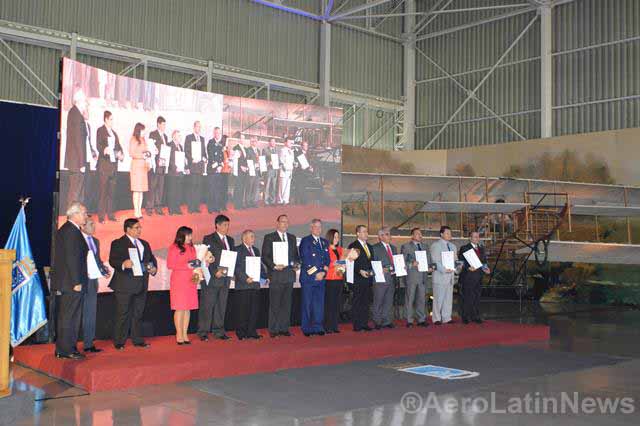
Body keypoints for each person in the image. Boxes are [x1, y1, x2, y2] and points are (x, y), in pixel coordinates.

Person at [108, 218, 157, 349]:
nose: (139, 230)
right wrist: (123, 263)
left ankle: (137, 339)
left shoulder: (144, 243)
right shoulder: (118, 243)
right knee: (122, 314)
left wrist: (154, 268)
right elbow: (113, 260)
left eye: (140, 227)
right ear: (128, 229)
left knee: (138, 314)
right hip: (124, 284)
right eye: (137, 228)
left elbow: (151, 259)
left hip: (141, 283)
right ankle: (119, 342)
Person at [51, 202, 89, 359]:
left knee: (68, 316)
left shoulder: (70, 230)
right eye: (84, 213)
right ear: (75, 214)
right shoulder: (70, 231)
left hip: (69, 282)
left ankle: (64, 349)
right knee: (70, 316)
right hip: (72, 283)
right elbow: (71, 258)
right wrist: (76, 282)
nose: (86, 216)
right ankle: (67, 350)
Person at [261, 214, 299, 338]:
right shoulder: (269, 237)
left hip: (289, 275)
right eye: (283, 221)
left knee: (286, 304)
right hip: (276, 275)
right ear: (277, 223)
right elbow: (265, 256)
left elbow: (296, 256)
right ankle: (273, 329)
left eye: (287, 222)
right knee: (275, 304)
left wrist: (296, 264)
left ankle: (284, 328)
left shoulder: (292, 238)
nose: (285, 224)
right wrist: (273, 266)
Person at [199, 214, 235, 341]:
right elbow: (205, 258)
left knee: (221, 305)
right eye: (225, 225)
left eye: (228, 225)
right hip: (213, 278)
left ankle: (219, 331)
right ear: (217, 225)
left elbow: (232, 258)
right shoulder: (208, 239)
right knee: (207, 305)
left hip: (225, 278)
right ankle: (203, 331)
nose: (227, 227)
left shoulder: (230, 240)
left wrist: (231, 272)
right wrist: (215, 272)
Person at [167, 227, 205, 344]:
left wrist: (198, 273)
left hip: (190, 280)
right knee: (180, 308)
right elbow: (170, 265)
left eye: (191, 235)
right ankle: (179, 334)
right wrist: (186, 266)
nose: (190, 237)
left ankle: (185, 334)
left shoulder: (192, 248)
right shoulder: (174, 247)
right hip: (179, 281)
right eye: (188, 235)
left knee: (188, 308)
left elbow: (196, 263)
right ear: (181, 235)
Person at [80, 216, 110, 353]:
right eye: (91, 224)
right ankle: (70, 345)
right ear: (82, 226)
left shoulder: (95, 241)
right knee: (75, 314)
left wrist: (103, 269)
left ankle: (88, 344)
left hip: (92, 281)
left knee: (90, 312)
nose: (94, 226)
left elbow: (97, 260)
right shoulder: (77, 240)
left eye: (94, 224)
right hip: (79, 281)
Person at [298, 219, 330, 337]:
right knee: (307, 304)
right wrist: (316, 273)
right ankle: (306, 328)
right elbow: (305, 259)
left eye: (319, 227)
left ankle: (318, 326)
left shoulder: (324, 242)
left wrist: (323, 272)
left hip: (321, 278)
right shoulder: (305, 241)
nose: (318, 229)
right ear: (311, 228)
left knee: (319, 304)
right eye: (315, 227)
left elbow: (327, 259)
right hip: (309, 278)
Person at [233, 230, 265, 340]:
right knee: (242, 311)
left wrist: (265, 277)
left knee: (254, 310)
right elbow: (236, 267)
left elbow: (260, 266)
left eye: (253, 237)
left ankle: (252, 331)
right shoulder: (237, 250)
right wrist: (245, 278)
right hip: (243, 286)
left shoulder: (256, 250)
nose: (253, 239)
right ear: (244, 238)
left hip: (255, 285)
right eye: (251, 236)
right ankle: (241, 333)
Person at [96, 110, 123, 223]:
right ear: (106, 119)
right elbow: (99, 145)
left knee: (112, 193)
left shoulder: (114, 133)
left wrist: (121, 155)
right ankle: (101, 216)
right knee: (103, 193)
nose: (112, 121)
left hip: (113, 167)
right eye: (111, 119)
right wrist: (104, 150)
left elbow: (119, 147)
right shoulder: (100, 130)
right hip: (104, 166)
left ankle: (111, 215)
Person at [401, 227, 431, 327]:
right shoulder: (406, 246)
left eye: (421, 233)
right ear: (412, 236)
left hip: (423, 276)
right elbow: (402, 261)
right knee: (410, 299)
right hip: (412, 276)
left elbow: (429, 260)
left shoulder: (425, 246)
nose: (420, 235)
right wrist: (411, 264)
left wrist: (430, 267)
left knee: (422, 299)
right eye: (417, 233)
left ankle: (421, 319)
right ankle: (409, 320)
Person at [458, 231, 490, 324]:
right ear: (470, 238)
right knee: (467, 296)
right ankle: (465, 316)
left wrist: (486, 268)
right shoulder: (464, 248)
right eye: (475, 237)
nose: (477, 238)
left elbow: (484, 262)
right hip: (468, 276)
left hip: (479, 276)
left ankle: (475, 316)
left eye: (478, 237)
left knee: (477, 296)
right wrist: (468, 267)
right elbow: (461, 261)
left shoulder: (481, 248)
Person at [430, 226, 460, 325]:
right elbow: (435, 260)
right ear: (441, 234)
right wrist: (444, 269)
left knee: (448, 298)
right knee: (438, 299)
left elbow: (455, 260)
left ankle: (447, 317)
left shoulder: (453, 246)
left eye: (450, 233)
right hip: (440, 275)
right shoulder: (436, 245)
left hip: (450, 276)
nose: (449, 235)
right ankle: (436, 318)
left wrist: (458, 266)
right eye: (447, 233)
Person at [64, 90, 88, 210]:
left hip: (74, 160)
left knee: (75, 191)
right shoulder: (77, 115)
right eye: (85, 101)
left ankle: (74, 215)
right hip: (77, 161)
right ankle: (72, 216)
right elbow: (78, 140)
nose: (86, 104)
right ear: (79, 101)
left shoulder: (73, 113)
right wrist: (82, 163)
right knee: (75, 192)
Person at [347, 225, 374, 332]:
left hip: (368, 279)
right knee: (358, 302)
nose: (366, 233)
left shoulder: (370, 247)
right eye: (363, 231)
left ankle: (364, 323)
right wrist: (359, 271)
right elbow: (350, 262)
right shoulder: (353, 246)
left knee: (366, 302)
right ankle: (357, 325)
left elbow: (371, 262)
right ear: (358, 233)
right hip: (358, 279)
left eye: (367, 231)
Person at [371, 226, 397, 329]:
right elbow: (372, 263)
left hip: (392, 278)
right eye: (387, 234)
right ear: (380, 236)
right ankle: (377, 321)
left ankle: (387, 321)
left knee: (388, 301)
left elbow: (396, 262)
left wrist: (400, 267)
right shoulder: (375, 248)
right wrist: (380, 269)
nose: (389, 236)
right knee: (378, 301)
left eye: (389, 234)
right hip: (380, 279)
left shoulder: (393, 248)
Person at [145, 116, 169, 216]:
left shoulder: (165, 136)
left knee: (160, 187)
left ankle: (158, 207)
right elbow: (150, 148)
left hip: (163, 165)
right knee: (152, 186)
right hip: (155, 164)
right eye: (163, 124)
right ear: (158, 124)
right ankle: (149, 207)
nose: (164, 126)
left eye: (165, 124)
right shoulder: (153, 134)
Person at [324, 229, 345, 334]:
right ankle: (327, 326)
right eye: (335, 237)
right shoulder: (326, 249)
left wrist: (344, 263)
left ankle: (334, 325)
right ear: (330, 237)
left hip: (339, 278)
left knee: (337, 303)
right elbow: (325, 264)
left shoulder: (340, 249)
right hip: (329, 279)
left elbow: (343, 263)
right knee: (329, 304)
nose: (337, 239)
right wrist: (334, 263)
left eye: (338, 237)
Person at [128, 123, 150, 219]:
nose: (144, 132)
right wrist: (142, 156)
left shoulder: (143, 140)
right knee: (136, 190)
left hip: (143, 166)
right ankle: (136, 211)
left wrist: (148, 156)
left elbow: (146, 152)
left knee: (141, 190)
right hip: (136, 166)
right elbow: (131, 153)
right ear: (139, 130)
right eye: (143, 130)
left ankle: (139, 210)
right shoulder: (133, 139)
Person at [185, 121, 207, 213]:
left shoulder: (202, 139)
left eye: (200, 127)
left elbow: (203, 152)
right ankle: (191, 207)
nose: (199, 128)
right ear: (194, 127)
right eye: (197, 126)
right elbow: (186, 151)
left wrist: (205, 158)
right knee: (192, 187)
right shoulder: (189, 137)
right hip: (193, 166)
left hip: (200, 167)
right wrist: (191, 159)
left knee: (198, 188)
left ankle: (196, 207)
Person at [166, 130, 186, 215]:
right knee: (172, 192)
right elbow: (168, 159)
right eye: (178, 136)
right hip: (172, 173)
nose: (180, 137)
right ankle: (171, 209)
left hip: (180, 173)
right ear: (174, 136)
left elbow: (182, 159)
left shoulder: (180, 146)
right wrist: (175, 167)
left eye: (180, 136)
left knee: (178, 192)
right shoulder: (169, 145)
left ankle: (177, 208)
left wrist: (185, 167)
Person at [206, 127, 225, 213]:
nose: (218, 134)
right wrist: (217, 165)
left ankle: (217, 207)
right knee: (211, 189)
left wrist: (221, 165)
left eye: (219, 133)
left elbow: (222, 156)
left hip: (219, 170)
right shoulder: (210, 142)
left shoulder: (221, 144)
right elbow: (210, 155)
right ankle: (210, 208)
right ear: (214, 133)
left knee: (217, 189)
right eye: (216, 133)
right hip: (212, 169)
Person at [292, 141, 313, 205]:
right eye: (304, 145)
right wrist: (299, 166)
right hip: (299, 173)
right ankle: (296, 202)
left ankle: (303, 201)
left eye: (307, 146)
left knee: (304, 187)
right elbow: (295, 163)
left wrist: (311, 168)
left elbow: (309, 163)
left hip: (306, 173)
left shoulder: (308, 154)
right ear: (301, 146)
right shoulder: (298, 153)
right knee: (298, 187)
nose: (306, 147)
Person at [244, 137, 260, 208]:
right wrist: (254, 164)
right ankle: (247, 202)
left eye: (256, 141)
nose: (255, 142)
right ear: (251, 142)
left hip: (257, 171)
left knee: (255, 187)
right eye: (253, 141)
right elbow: (247, 160)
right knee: (249, 187)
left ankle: (253, 202)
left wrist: (260, 165)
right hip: (251, 171)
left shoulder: (258, 150)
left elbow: (259, 160)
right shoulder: (248, 150)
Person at [233, 137, 249, 209]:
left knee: (242, 187)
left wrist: (246, 167)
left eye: (243, 138)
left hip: (244, 171)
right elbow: (235, 160)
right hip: (238, 171)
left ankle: (240, 203)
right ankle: (237, 204)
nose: (242, 140)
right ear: (238, 139)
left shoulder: (245, 149)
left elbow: (246, 159)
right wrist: (240, 167)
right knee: (238, 188)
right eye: (241, 138)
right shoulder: (236, 148)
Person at [277, 139, 295, 205]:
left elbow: (292, 160)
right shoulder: (282, 150)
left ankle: (286, 200)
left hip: (290, 170)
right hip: (284, 170)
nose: (291, 143)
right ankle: (280, 200)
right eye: (289, 142)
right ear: (285, 143)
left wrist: (294, 164)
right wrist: (284, 167)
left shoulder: (291, 151)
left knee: (288, 186)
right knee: (282, 186)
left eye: (291, 142)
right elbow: (281, 160)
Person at [262, 138, 279, 205]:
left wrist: (279, 164)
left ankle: (272, 201)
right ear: (269, 142)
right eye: (272, 141)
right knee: (267, 186)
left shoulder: (276, 150)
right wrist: (269, 163)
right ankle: (266, 201)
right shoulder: (265, 150)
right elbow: (263, 161)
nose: (274, 143)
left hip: (275, 171)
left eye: (274, 141)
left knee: (273, 187)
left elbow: (278, 160)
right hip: (268, 170)